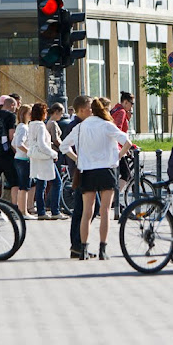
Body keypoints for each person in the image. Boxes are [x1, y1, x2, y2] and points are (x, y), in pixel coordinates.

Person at [60, 98, 133, 260]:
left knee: (87, 212)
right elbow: (127, 142)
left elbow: (64, 146)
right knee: (105, 211)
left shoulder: (80, 127)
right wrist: (117, 157)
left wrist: (77, 158)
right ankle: (103, 249)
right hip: (107, 170)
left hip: (87, 171)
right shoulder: (107, 125)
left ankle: (84, 249)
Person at [63, 95, 99, 258]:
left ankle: (78, 244)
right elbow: (66, 147)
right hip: (80, 172)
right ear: (83, 110)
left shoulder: (82, 123)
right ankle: (77, 245)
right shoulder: (76, 125)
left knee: (87, 208)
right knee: (83, 209)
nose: (93, 111)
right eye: (91, 108)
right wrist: (78, 159)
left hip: (84, 170)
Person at [29, 103, 67, 220]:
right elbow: (42, 144)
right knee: (57, 182)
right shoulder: (40, 126)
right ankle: (55, 211)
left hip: (36, 158)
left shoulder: (31, 125)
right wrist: (53, 153)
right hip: (45, 158)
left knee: (41, 184)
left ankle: (41, 211)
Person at [12, 104, 36, 220]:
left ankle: (23, 210)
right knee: (24, 186)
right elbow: (19, 143)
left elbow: (14, 143)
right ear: (23, 115)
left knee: (24, 185)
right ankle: (23, 211)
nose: (31, 116)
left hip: (19, 158)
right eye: (29, 114)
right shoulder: (24, 127)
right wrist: (29, 152)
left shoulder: (20, 126)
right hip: (24, 159)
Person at [111, 92, 135, 189]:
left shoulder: (115, 109)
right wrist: (126, 146)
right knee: (126, 174)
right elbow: (118, 130)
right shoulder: (121, 112)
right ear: (125, 102)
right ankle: (114, 201)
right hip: (116, 147)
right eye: (131, 103)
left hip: (115, 145)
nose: (132, 106)